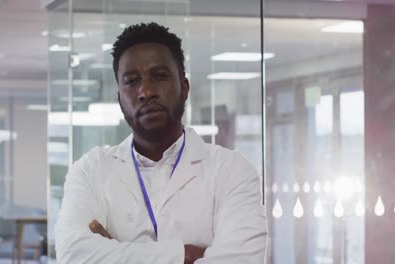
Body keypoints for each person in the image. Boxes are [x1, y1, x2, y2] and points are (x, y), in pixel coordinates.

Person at [55, 22, 267, 264]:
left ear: (184, 87)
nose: (145, 91)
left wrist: (115, 252)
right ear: (119, 98)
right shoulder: (91, 170)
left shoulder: (232, 171)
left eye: (159, 76)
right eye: (132, 81)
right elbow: (73, 255)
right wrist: (184, 255)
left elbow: (241, 260)